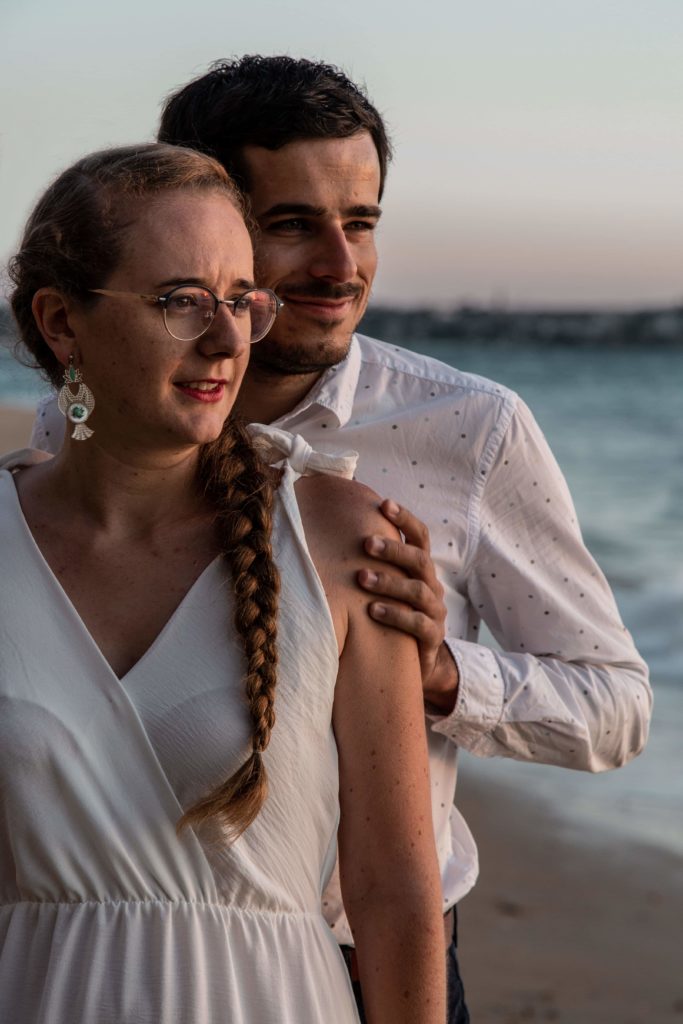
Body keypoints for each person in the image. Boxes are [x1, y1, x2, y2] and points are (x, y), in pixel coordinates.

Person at [30, 57, 652, 1023]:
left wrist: (439, 672)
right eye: (291, 224)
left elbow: (616, 708)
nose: (338, 265)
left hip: (369, 957)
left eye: (360, 223)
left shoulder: (467, 429)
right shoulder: (76, 437)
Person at [2, 143, 446, 1023]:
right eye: (182, 303)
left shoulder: (343, 542)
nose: (229, 338)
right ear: (60, 323)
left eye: (244, 300)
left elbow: (395, 898)